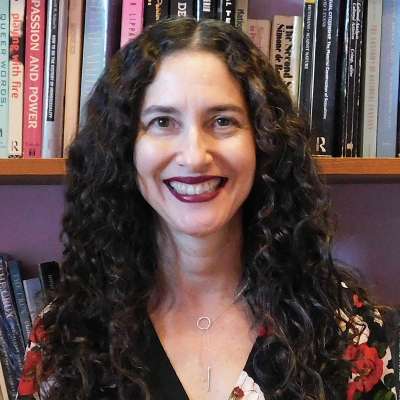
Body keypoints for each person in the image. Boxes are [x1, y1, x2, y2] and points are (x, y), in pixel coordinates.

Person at [17, 17, 396, 400]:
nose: (195, 156)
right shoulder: (67, 336)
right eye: (163, 121)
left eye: (222, 121)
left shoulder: (346, 326)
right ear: (124, 148)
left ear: (263, 142)